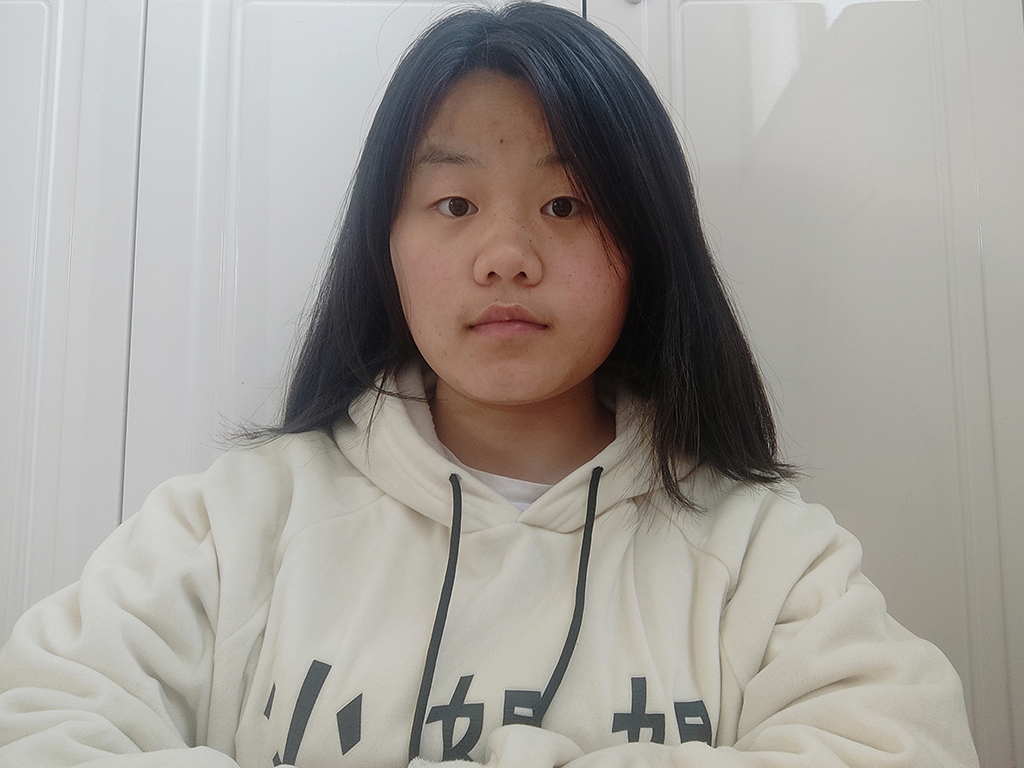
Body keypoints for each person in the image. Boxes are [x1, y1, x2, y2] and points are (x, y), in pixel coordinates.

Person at [0, 3, 978, 766]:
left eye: (566, 204)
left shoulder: (765, 555)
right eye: (454, 203)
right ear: (385, 244)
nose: (506, 254)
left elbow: (905, 746)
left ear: (645, 244)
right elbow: (40, 724)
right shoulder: (232, 526)